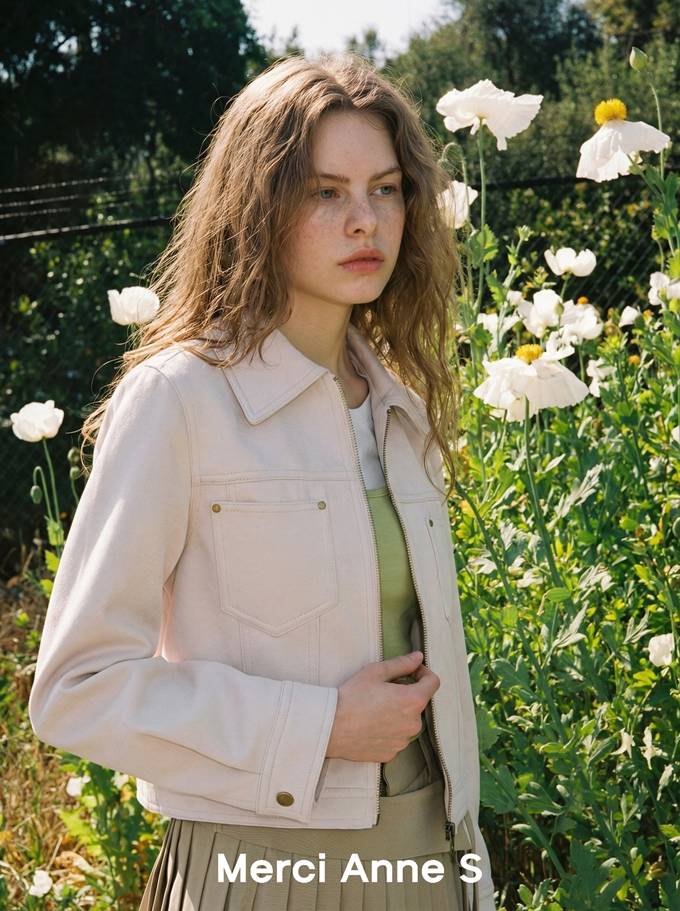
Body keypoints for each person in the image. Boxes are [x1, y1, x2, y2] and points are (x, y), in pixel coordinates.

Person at [28, 52, 497, 911]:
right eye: (325, 192)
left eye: (386, 189)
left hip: (431, 861)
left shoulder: (399, 404)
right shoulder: (180, 399)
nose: (365, 220)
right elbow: (76, 690)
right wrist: (318, 728)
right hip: (260, 870)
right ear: (258, 207)